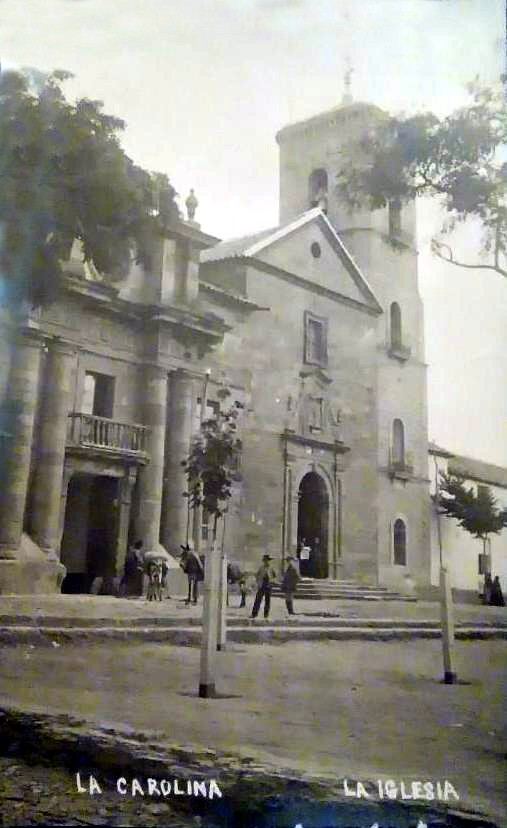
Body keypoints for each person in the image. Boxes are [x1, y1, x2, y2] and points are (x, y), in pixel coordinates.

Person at [251, 554, 277, 620]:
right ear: (264, 561)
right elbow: (257, 575)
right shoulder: (261, 568)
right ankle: (254, 613)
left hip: (268, 585)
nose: (267, 562)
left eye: (268, 560)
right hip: (262, 585)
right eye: (265, 560)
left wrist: (272, 581)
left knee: (267, 601)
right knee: (258, 599)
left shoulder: (271, 568)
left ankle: (266, 614)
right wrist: (258, 582)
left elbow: (274, 576)